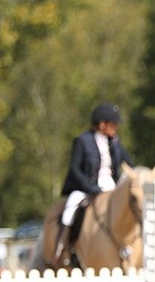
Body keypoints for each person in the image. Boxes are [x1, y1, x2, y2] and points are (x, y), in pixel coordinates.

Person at [56, 103, 134, 265]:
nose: (116, 128)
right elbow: (75, 168)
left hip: (111, 186)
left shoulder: (115, 142)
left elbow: (128, 163)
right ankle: (63, 248)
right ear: (102, 124)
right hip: (87, 187)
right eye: (114, 124)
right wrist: (89, 187)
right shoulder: (83, 141)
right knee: (70, 209)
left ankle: (127, 246)